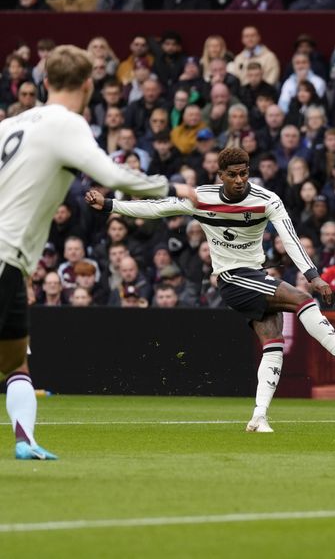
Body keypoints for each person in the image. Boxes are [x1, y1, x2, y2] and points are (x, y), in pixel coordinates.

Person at [85, 147, 335, 433]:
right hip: (231, 278)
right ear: (221, 175)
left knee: (273, 344)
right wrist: (111, 204)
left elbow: (290, 238)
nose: (240, 180)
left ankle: (259, 417)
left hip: (255, 275)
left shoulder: (267, 200)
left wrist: (312, 273)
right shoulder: (202, 198)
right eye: (233, 175)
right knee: (302, 299)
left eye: (244, 174)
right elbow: (158, 208)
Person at [0, 45, 193, 460]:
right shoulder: (65, 123)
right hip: (5, 255)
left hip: (12, 260)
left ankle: (25, 441)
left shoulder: (11, 124)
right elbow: (111, 175)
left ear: (45, 82)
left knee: (15, 360)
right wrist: (176, 189)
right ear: (89, 84)